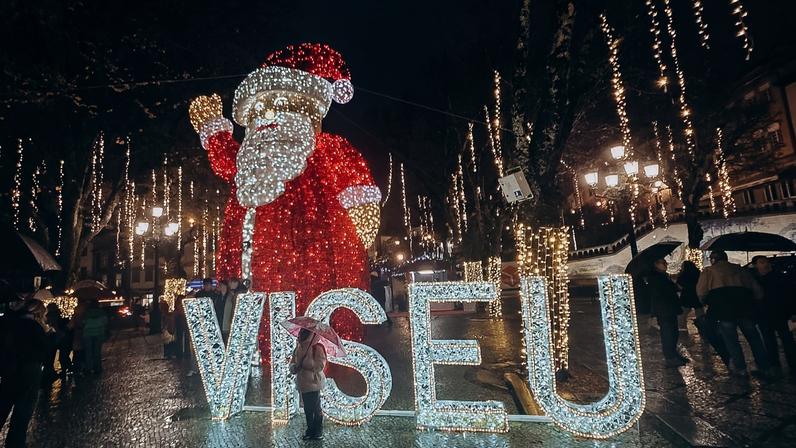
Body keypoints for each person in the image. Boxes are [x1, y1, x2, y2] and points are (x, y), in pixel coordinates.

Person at [697, 250, 770, 377]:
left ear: (713, 259)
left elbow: (701, 292)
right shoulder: (740, 270)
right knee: (753, 337)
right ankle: (764, 366)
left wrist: (706, 302)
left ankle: (740, 368)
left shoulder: (709, 271)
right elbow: (757, 290)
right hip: (744, 308)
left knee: (731, 339)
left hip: (724, 310)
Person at [0, 298, 50, 447]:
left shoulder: (9, 323)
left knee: (4, 403)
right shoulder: (34, 326)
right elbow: (44, 350)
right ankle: (15, 443)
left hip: (9, 369)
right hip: (30, 370)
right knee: (23, 410)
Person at [752, 255, 796, 372]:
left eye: (767, 262)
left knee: (786, 339)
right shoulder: (754, 280)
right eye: (762, 262)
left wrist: (792, 312)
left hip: (779, 313)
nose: (766, 264)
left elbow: (790, 295)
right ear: (756, 265)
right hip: (764, 315)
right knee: (769, 340)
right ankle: (774, 364)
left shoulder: (780, 278)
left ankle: (792, 363)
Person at [647, 258, 688, 367]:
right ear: (656, 264)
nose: (666, 264)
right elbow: (661, 292)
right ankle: (670, 357)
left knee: (674, 332)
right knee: (668, 333)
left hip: (669, 308)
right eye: (663, 263)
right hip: (664, 309)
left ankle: (674, 354)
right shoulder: (655, 277)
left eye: (665, 262)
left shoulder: (663, 275)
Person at [289, 329, 326, 441]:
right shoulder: (299, 347)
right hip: (303, 382)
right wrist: (294, 367)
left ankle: (316, 431)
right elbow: (292, 362)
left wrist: (304, 365)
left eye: (303, 333)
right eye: (300, 333)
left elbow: (320, 366)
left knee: (314, 408)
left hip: (314, 382)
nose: (300, 335)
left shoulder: (317, 347)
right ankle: (311, 430)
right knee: (308, 409)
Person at [81, 301, 108, 375]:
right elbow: (105, 322)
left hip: (88, 334)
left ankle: (88, 368)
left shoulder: (86, 313)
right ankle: (98, 368)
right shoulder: (101, 312)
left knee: (88, 352)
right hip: (99, 333)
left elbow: (83, 322)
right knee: (97, 352)